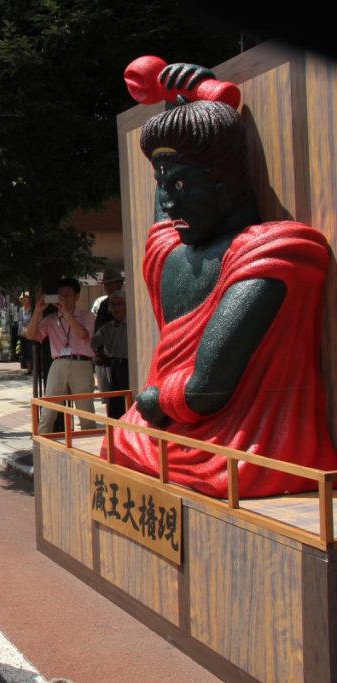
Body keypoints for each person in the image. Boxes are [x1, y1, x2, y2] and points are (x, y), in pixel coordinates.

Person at [107, 98, 337, 497]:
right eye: (161, 186)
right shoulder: (167, 251)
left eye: (178, 185)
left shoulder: (272, 252)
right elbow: (163, 211)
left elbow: (204, 392)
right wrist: (197, 105)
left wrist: (157, 400)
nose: (167, 202)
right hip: (174, 443)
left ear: (224, 182)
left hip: (237, 455)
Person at [24, 277, 96, 434]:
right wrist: (37, 311)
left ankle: (90, 449)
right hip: (58, 364)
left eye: (68, 295)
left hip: (81, 364)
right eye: (60, 295)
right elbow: (31, 335)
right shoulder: (51, 319)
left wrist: (67, 314)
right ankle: (42, 450)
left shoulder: (87, 316)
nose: (63, 299)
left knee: (85, 412)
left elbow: (83, 334)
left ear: (77, 297)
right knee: (48, 411)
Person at [91, 291, 129, 419]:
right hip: (115, 366)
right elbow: (93, 342)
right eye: (113, 305)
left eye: (120, 304)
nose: (116, 308)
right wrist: (98, 353)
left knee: (130, 400)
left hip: (130, 366)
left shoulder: (133, 324)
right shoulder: (108, 327)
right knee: (115, 403)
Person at [92, 268, 125, 403]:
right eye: (106, 284)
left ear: (119, 284)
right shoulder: (103, 304)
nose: (108, 287)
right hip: (102, 360)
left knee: (121, 398)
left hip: (119, 359)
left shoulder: (126, 301)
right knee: (108, 400)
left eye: (111, 284)